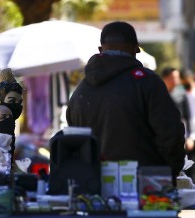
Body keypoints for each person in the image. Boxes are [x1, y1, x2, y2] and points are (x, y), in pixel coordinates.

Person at [66, 21, 185, 182]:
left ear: (101, 50)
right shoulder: (147, 82)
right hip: (144, 184)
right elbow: (170, 133)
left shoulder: (81, 90)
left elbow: (73, 139)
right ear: (136, 49)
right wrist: (169, 173)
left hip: (93, 186)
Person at [161, 67, 191, 138]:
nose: (177, 80)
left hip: (178, 132)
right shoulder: (157, 93)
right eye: (173, 77)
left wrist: (189, 135)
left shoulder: (182, 93)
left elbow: (187, 115)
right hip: (162, 132)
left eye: (178, 77)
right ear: (165, 78)